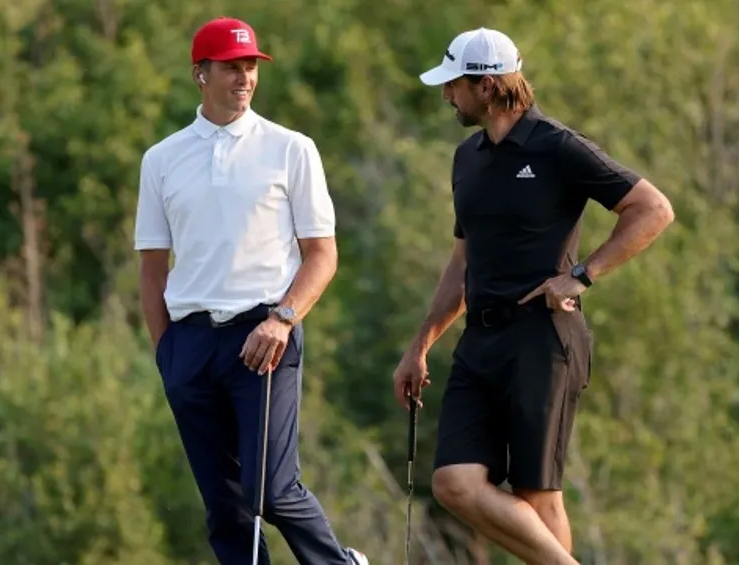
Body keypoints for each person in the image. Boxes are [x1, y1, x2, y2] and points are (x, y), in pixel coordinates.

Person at [391, 27, 675, 565]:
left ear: (489, 84)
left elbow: (653, 209)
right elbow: (461, 261)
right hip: (480, 342)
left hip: (542, 339)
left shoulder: (557, 146)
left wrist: (583, 274)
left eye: (454, 84)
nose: (446, 94)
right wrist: (420, 344)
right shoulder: (467, 157)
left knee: (537, 496)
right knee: (453, 482)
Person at [134, 16, 368, 565]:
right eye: (231, 67)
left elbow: (323, 255)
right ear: (200, 73)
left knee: (271, 490)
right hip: (189, 344)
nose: (244, 78)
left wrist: (283, 318)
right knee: (224, 507)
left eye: (250, 67)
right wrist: (165, 351)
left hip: (264, 336)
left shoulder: (291, 149)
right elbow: (151, 267)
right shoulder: (161, 160)